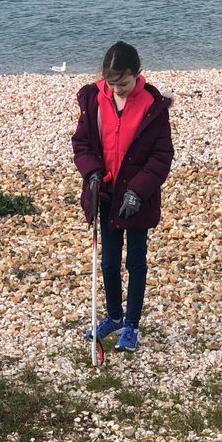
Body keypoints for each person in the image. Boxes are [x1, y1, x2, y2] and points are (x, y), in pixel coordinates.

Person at [72, 41, 174, 353]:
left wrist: (138, 191)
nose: (118, 89)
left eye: (124, 83)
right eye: (113, 83)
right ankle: (114, 316)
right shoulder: (94, 100)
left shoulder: (151, 106)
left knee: (136, 261)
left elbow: (161, 156)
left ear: (137, 74)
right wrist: (91, 173)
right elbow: (82, 145)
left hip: (137, 200)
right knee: (109, 262)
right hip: (105, 194)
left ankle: (131, 324)